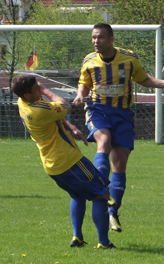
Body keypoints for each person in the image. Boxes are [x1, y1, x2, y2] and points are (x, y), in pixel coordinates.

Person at [72, 22, 164, 233]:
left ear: (111, 39)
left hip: (123, 114)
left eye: (100, 37)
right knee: (103, 141)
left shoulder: (129, 59)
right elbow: (84, 83)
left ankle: (113, 211)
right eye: (94, 37)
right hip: (98, 109)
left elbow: (144, 79)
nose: (96, 41)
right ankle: (100, 186)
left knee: (120, 164)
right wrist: (79, 95)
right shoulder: (89, 61)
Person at [13, 73, 115, 249]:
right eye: (35, 89)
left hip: (52, 165)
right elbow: (65, 106)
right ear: (27, 95)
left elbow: (53, 114)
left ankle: (77, 237)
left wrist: (72, 127)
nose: (39, 90)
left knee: (77, 194)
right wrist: (46, 91)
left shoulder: (23, 103)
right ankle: (104, 243)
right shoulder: (38, 110)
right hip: (69, 160)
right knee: (101, 193)